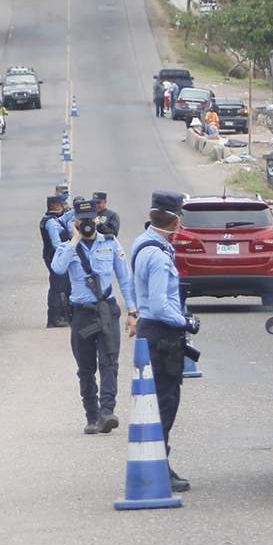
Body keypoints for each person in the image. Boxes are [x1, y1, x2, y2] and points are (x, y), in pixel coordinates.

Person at [131, 191, 200, 493]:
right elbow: (160, 305)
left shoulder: (141, 243)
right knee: (164, 403)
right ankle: (160, 467)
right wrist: (185, 321)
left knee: (155, 401)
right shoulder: (158, 257)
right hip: (161, 333)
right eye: (180, 216)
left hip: (150, 329)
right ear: (174, 219)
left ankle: (156, 463)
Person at [52, 199, 137, 434]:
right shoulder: (67, 247)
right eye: (82, 221)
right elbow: (58, 269)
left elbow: (125, 279)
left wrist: (132, 311)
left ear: (97, 220)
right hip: (81, 314)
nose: (87, 225)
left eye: (90, 221)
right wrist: (75, 239)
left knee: (109, 362)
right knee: (86, 368)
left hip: (106, 311)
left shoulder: (110, 243)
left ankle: (107, 411)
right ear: (75, 222)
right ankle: (91, 416)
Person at [41, 196, 71, 327]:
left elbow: (65, 218)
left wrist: (78, 209)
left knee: (63, 285)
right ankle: (54, 318)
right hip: (55, 257)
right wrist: (67, 252)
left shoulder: (53, 219)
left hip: (54, 256)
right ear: (57, 206)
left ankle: (62, 315)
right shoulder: (51, 223)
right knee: (57, 287)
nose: (65, 206)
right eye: (63, 204)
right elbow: (56, 244)